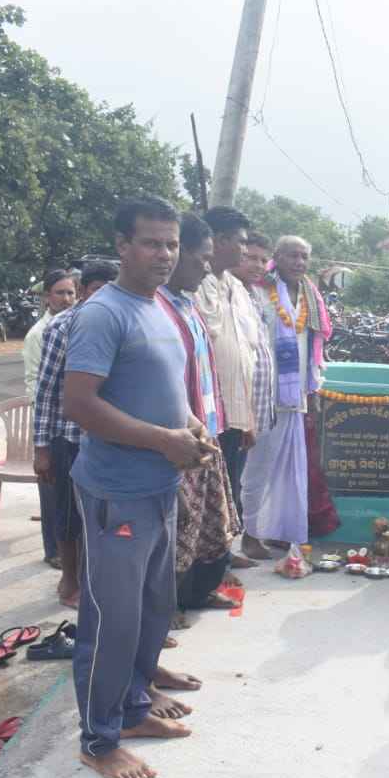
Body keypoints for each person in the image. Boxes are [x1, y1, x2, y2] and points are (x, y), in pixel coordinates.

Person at [63, 195, 216, 778]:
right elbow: (80, 405)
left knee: (154, 607)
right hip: (117, 492)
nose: (164, 254)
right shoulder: (104, 314)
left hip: (160, 485)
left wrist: (192, 430)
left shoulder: (160, 307)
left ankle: (131, 709)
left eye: (171, 244)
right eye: (151, 243)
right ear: (122, 246)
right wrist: (161, 440)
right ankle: (98, 740)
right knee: (113, 619)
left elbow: (166, 392)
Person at [156, 213, 248, 612]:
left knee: (209, 523)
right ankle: (166, 608)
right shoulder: (158, 308)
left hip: (207, 428)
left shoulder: (187, 303)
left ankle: (196, 593)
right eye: (202, 258)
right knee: (180, 529)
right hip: (180, 437)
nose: (207, 268)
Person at [33, 260, 117, 608]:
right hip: (69, 439)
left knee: (103, 517)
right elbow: (46, 390)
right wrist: (41, 448)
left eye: (111, 290)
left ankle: (96, 580)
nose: (104, 297)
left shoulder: (120, 323)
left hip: (110, 438)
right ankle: (69, 581)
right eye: (97, 289)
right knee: (69, 516)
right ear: (83, 291)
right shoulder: (62, 327)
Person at [241, 235, 331, 557]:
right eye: (292, 255)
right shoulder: (258, 290)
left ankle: (277, 529)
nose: (299, 262)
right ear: (276, 258)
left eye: (304, 256)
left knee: (287, 468)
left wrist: (313, 388)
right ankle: (249, 534)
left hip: (295, 398)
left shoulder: (310, 294)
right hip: (262, 394)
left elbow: (313, 346)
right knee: (257, 467)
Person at [195, 206, 264, 530]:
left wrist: (247, 417)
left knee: (229, 489)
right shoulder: (198, 283)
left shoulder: (237, 288)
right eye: (241, 242)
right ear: (220, 240)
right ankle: (211, 554)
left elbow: (245, 353)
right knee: (204, 494)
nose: (245, 250)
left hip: (236, 413)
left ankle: (222, 550)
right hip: (205, 414)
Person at [25, 268, 79, 568]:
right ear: (47, 297)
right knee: (52, 493)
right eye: (60, 293)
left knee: (62, 494)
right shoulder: (41, 332)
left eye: (70, 292)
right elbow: (38, 383)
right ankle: (53, 550)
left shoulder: (76, 324)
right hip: (49, 420)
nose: (66, 298)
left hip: (66, 420)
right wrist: (42, 437)